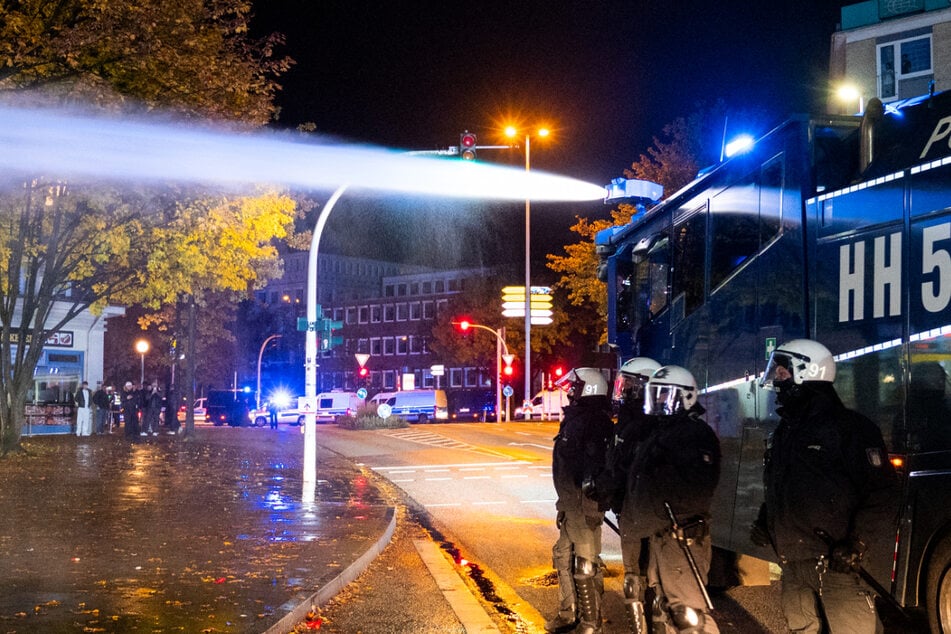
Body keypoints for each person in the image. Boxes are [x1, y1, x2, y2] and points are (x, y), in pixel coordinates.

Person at [752, 339, 901, 633]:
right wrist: (767, 519)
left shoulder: (850, 428)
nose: (776, 381)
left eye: (783, 373)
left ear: (809, 371)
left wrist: (857, 543)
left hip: (838, 567)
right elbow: (785, 484)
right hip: (794, 565)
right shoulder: (787, 430)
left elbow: (883, 493)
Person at [625, 365, 721, 633]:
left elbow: (698, 486)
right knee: (670, 608)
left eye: (664, 395)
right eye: (655, 395)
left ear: (685, 397)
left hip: (682, 533)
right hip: (662, 533)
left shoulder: (694, 434)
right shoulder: (661, 432)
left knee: (688, 615)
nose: (658, 402)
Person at [592, 357, 660, 634]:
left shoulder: (654, 423)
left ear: (643, 385)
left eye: (629, 383)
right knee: (635, 576)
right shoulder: (628, 421)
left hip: (648, 511)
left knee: (653, 576)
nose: (623, 389)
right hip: (629, 509)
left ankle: (655, 627)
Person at [546, 367, 614, 634]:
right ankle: (568, 613)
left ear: (589, 388)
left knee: (586, 563)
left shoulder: (595, 422)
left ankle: (590, 621)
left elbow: (597, 470)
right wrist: (563, 506)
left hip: (584, 505)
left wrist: (588, 503)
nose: (570, 393)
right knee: (562, 555)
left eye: (575, 388)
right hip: (571, 504)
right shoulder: (577, 419)